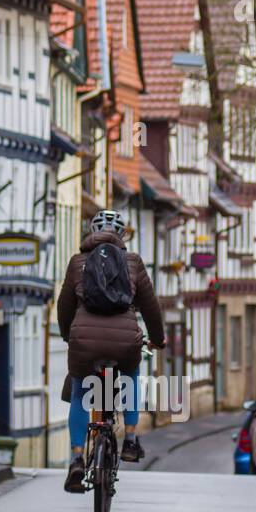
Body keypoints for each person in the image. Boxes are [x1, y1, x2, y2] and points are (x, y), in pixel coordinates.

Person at [56, 209, 166, 493]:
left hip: (84, 341)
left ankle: (77, 459)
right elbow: (151, 307)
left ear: (92, 232)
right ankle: (130, 438)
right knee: (129, 375)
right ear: (122, 235)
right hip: (125, 341)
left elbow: (64, 306)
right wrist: (158, 339)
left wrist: (70, 336)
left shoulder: (77, 262)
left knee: (81, 391)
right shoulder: (133, 263)